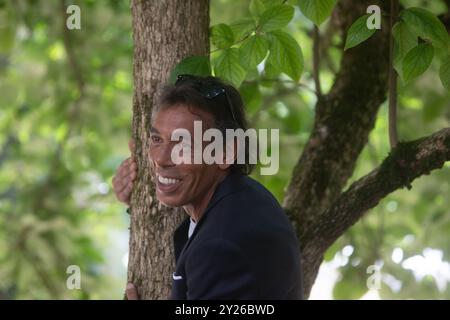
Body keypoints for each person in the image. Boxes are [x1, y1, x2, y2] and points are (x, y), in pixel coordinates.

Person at [112, 75, 303, 299]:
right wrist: (135, 203)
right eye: (157, 139)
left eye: (182, 143)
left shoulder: (220, 248)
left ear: (226, 153)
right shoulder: (244, 198)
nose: (161, 159)